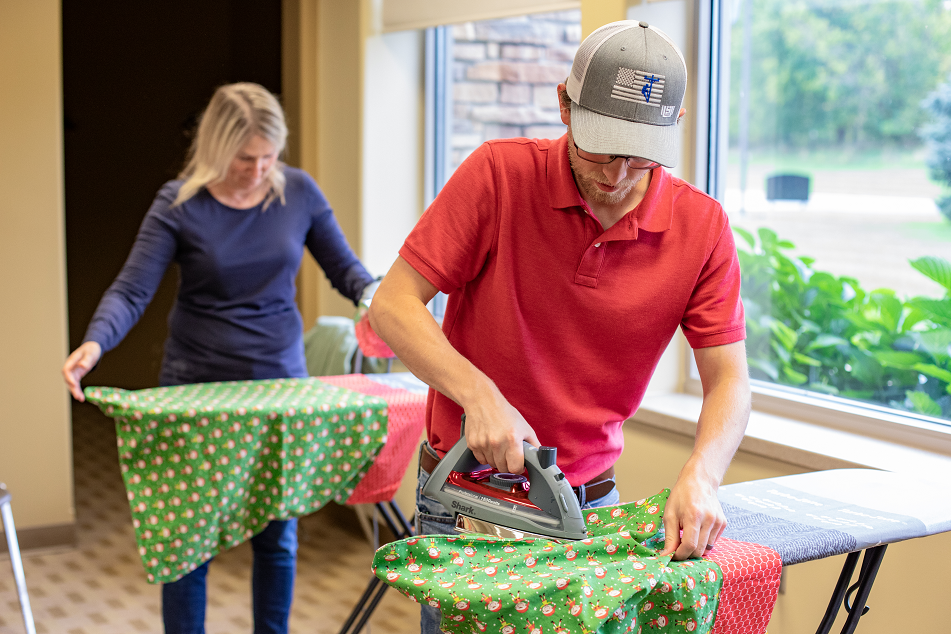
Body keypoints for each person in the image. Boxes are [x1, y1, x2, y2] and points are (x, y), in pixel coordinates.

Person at [367, 21, 751, 632]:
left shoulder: (701, 229)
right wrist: (478, 394)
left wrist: (702, 475)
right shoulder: (498, 177)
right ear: (565, 106)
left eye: (639, 154)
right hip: (468, 496)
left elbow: (729, 379)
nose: (619, 175)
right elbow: (392, 306)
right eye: (601, 148)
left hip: (589, 502)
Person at [62, 82, 375, 634]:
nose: (258, 170)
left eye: (269, 157)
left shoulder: (298, 192)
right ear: (214, 148)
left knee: (277, 535)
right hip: (196, 382)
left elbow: (347, 273)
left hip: (278, 380)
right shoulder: (179, 202)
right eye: (244, 158)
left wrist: (380, 302)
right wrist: (95, 343)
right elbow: (132, 291)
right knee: (190, 536)